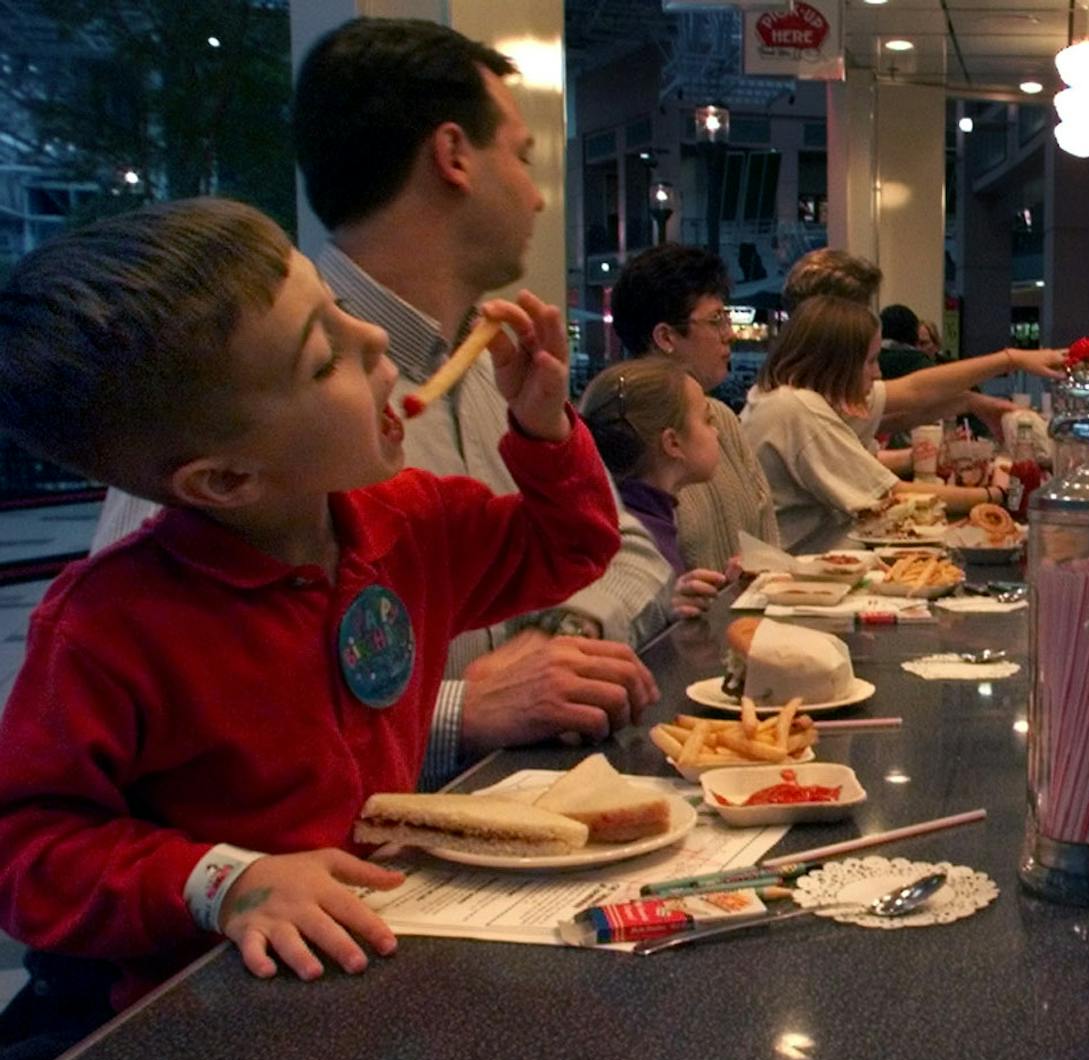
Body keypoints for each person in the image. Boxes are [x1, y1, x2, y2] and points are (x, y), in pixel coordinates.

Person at [0, 199, 622, 1060]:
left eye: (339, 313)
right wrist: (225, 883)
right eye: (325, 355)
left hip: (381, 974)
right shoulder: (108, 626)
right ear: (225, 478)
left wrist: (542, 427)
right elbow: (30, 849)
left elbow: (570, 548)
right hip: (205, 1027)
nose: (372, 338)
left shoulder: (406, 525)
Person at [88, 19, 667, 785]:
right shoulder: (249, 390)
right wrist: (454, 710)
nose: (536, 197)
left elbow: (619, 550)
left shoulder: (493, 369)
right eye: (523, 159)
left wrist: (561, 635)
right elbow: (160, 731)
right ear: (454, 156)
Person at [745, 297, 1023, 547]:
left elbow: (915, 394)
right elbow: (891, 494)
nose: (877, 373)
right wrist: (996, 494)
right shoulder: (796, 409)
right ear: (835, 363)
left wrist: (970, 402)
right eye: (870, 361)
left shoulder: (778, 397)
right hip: (794, 575)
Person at [610, 242, 778, 599]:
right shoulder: (622, 429)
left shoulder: (722, 420)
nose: (729, 332)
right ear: (666, 337)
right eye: (716, 319)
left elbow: (766, 538)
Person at [779, 248, 1066, 452]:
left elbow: (890, 410)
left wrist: (970, 402)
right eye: (860, 310)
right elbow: (913, 391)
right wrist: (1012, 359)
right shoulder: (797, 402)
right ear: (826, 316)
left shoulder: (813, 381)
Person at [578, 356, 729, 620]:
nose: (716, 433)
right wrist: (662, 611)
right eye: (707, 420)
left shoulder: (643, 515)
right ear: (672, 443)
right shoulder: (632, 534)